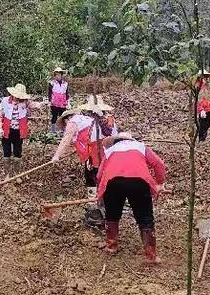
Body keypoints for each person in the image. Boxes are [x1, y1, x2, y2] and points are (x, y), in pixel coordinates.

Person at [97, 132, 166, 264]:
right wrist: (160, 183)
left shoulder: (110, 150)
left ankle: (112, 246)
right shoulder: (140, 146)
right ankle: (151, 255)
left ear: (116, 141)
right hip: (139, 181)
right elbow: (159, 164)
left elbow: (100, 175)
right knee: (145, 218)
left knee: (112, 215)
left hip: (113, 182)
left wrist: (101, 191)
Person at [52, 96, 118, 227]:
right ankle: (107, 210)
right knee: (106, 181)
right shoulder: (107, 120)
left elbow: (66, 139)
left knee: (92, 181)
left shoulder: (75, 121)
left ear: (67, 119)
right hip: (111, 156)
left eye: (64, 124)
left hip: (95, 156)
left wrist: (57, 156)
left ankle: (95, 212)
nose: (65, 127)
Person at [0, 84, 39, 177]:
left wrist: (43, 104)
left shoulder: (25, 102)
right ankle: (7, 174)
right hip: (7, 130)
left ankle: (17, 174)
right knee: (6, 153)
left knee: (17, 153)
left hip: (19, 130)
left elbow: (34, 105)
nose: (18, 98)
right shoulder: (5, 101)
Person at [48, 67, 70, 133]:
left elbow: (66, 93)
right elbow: (49, 93)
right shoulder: (52, 83)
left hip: (63, 103)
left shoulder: (65, 84)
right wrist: (50, 101)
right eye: (56, 75)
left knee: (63, 117)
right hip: (54, 103)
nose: (58, 76)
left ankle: (63, 130)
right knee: (54, 116)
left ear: (61, 75)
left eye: (59, 74)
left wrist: (67, 101)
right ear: (54, 76)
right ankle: (53, 131)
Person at [196, 70, 210, 142]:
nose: (204, 78)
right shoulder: (198, 85)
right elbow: (198, 99)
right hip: (202, 109)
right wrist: (201, 109)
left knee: (207, 124)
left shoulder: (207, 86)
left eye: (205, 76)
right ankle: (201, 139)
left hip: (208, 108)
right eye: (203, 76)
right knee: (202, 125)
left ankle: (204, 138)